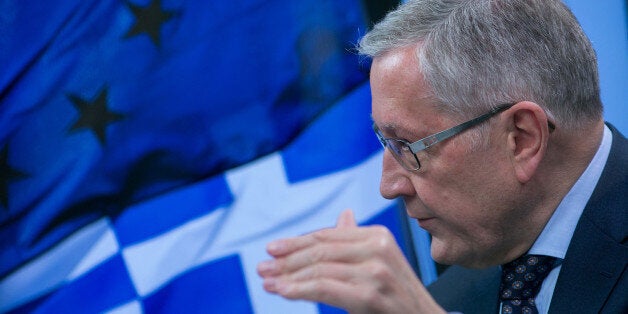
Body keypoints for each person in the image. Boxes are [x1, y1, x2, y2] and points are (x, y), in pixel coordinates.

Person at [257, 0, 627, 313]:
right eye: (384, 142)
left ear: (521, 138)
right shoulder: (454, 295)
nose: (388, 186)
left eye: (408, 145)